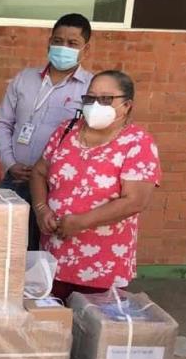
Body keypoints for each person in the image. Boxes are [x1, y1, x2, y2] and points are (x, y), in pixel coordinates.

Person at [29, 70, 161, 301]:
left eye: (106, 99)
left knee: (93, 330)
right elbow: (39, 172)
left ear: (127, 105)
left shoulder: (138, 142)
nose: (95, 104)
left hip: (102, 265)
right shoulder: (66, 130)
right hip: (54, 258)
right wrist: (42, 210)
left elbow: (135, 201)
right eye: (90, 98)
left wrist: (81, 222)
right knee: (51, 324)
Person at [0, 13, 93, 250]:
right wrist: (9, 163)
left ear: (85, 50)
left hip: (58, 187)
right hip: (15, 179)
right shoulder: (25, 79)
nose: (63, 47)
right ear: (49, 42)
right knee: (5, 248)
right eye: (57, 41)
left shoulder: (92, 88)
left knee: (47, 252)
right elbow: (3, 123)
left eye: (72, 44)